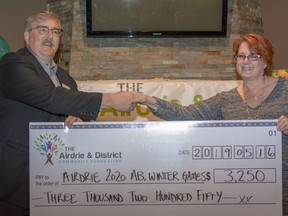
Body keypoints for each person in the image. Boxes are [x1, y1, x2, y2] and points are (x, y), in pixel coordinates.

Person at [133, 33, 288, 215]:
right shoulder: (226, 100)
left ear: (266, 61)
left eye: (253, 56)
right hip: (241, 194)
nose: (246, 61)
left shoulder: (285, 89)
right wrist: (148, 100)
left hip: (283, 191)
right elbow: (187, 115)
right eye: (241, 56)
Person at [0, 11, 136, 215]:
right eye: (43, 29)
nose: (50, 36)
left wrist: (79, 117)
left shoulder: (65, 77)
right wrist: (109, 100)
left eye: (55, 31)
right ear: (27, 36)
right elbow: (49, 97)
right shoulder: (14, 64)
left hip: (57, 180)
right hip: (19, 179)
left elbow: (71, 106)